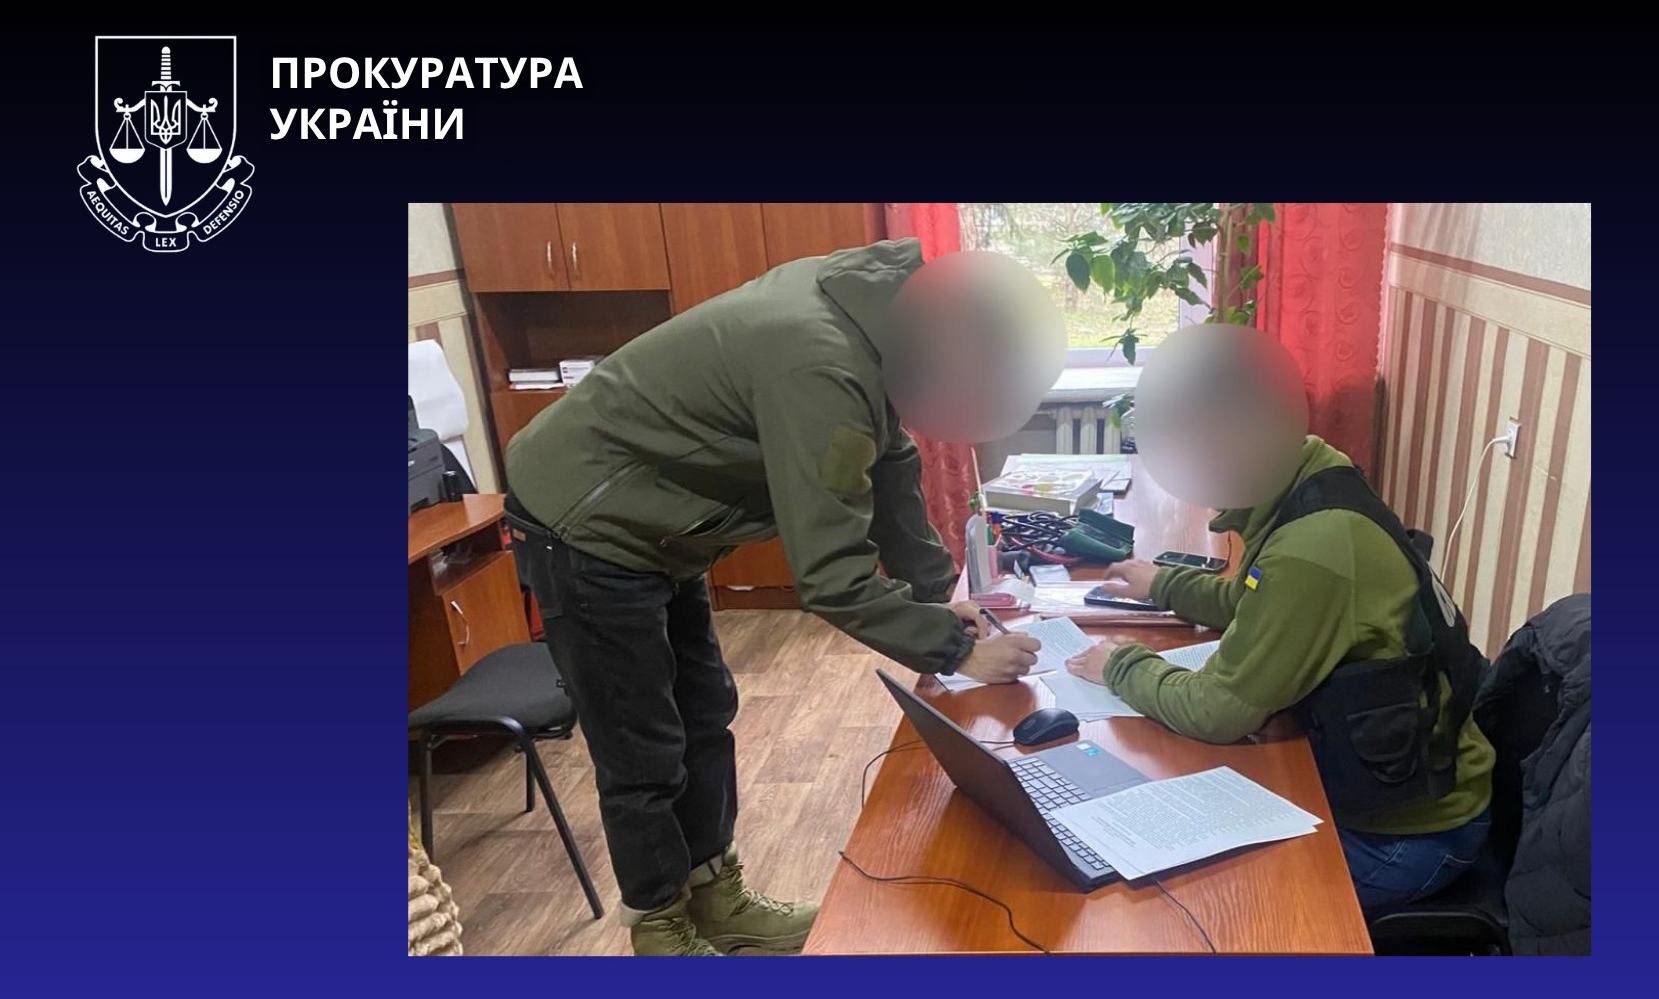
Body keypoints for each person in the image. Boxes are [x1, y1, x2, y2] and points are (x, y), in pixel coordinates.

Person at [503, 238, 1062, 955]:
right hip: (584, 518)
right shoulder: (823, 362)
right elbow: (828, 575)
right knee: (642, 746)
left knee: (705, 714)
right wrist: (959, 652)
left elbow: (890, 465)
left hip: (661, 528)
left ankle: (716, 896)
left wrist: (937, 597)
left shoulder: (887, 324)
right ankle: (660, 927)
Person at [1063, 324, 1494, 915]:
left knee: (1205, 908)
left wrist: (1121, 664)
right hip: (1390, 788)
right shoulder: (1310, 467)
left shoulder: (1312, 549)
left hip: (1412, 837)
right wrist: (1161, 583)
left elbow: (1218, 711)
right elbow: (1255, 603)